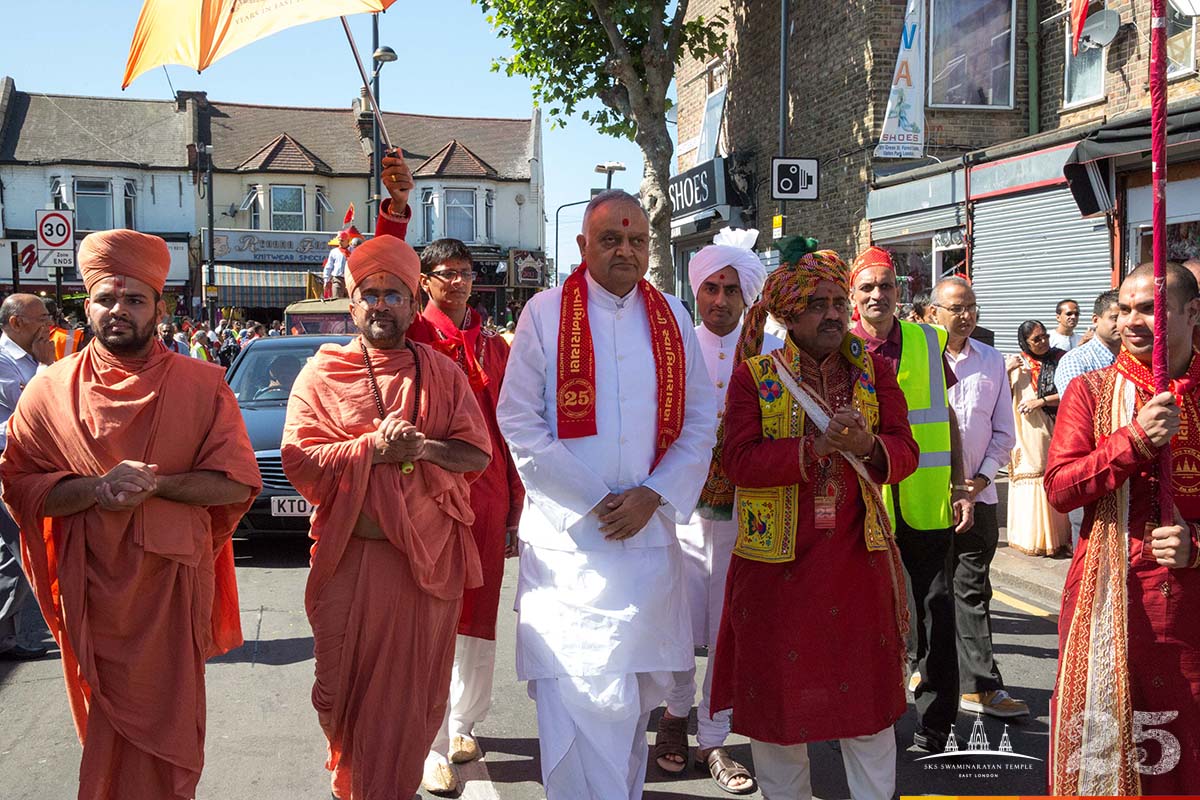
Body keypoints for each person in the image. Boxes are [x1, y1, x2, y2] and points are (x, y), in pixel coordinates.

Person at [0, 229, 260, 800]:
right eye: (105, 299)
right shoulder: (47, 391)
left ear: (159, 308)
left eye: (135, 299)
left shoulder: (204, 384)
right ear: (85, 305)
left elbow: (236, 484)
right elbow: (19, 486)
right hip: (91, 595)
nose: (119, 311)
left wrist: (156, 486)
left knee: (171, 744)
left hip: (170, 593)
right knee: (105, 738)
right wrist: (95, 490)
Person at [496, 190, 718, 800]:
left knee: (627, 709)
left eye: (638, 240)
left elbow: (701, 419)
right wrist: (590, 499)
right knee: (576, 695)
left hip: (648, 542)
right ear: (582, 246)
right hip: (568, 547)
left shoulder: (673, 315)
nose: (626, 250)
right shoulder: (544, 313)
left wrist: (654, 494)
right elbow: (517, 419)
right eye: (611, 239)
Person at [281, 234, 492, 800]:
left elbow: (477, 454)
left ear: (411, 300)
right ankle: (356, 783)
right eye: (369, 293)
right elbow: (299, 460)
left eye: (393, 294)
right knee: (336, 695)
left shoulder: (443, 375)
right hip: (350, 562)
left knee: (410, 705)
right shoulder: (322, 375)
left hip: (426, 571)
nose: (380, 304)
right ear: (351, 305)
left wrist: (421, 449)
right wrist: (372, 448)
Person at [710, 237, 918, 800]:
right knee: (779, 721)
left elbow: (906, 451)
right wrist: (816, 447)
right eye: (817, 304)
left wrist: (870, 444)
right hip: (776, 572)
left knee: (870, 718)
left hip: (858, 564)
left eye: (835, 301)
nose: (831, 314)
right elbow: (738, 460)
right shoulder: (757, 375)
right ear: (789, 314)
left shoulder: (874, 370)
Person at [1045, 261, 1200, 795]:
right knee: (1106, 761)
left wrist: (1197, 545)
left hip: (1192, 612)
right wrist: (1132, 441)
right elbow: (1060, 487)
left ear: (1192, 312)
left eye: (1150, 308)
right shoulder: (1088, 392)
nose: (1133, 320)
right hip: (1110, 600)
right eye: (1126, 308)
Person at [390, 238, 525, 796]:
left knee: (479, 614)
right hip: (430, 496)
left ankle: (465, 724)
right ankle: (430, 744)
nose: (460, 282)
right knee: (432, 617)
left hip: (488, 497)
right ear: (424, 281)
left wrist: (517, 502)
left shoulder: (493, 346)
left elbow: (510, 431)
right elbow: (383, 266)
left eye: (467, 272)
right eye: (447, 273)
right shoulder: (413, 337)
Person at [655, 227, 777, 795]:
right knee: (676, 621)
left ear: (747, 295)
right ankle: (675, 716)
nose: (721, 300)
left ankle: (715, 737)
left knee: (733, 626)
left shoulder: (774, 354)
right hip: (680, 509)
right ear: (696, 292)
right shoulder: (674, 348)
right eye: (711, 288)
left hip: (751, 514)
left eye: (732, 288)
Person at [849, 245, 973, 753]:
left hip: (925, 501)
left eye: (888, 285)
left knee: (937, 612)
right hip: (863, 505)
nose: (879, 294)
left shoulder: (925, 339)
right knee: (862, 614)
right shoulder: (838, 346)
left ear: (901, 292)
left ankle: (937, 724)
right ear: (854, 298)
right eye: (868, 287)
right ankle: (860, 716)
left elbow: (945, 417)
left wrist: (963, 484)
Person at [928, 277, 1027, 719]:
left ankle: (981, 686)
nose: (965, 315)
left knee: (971, 591)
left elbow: (1004, 431)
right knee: (928, 594)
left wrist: (981, 481)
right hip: (925, 500)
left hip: (979, 499)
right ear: (933, 313)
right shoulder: (917, 359)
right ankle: (923, 667)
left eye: (971, 306)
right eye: (955, 308)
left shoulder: (991, 361)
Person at [0, 294, 55, 661]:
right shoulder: (4, 363)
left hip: (35, 470)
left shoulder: (39, 359)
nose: (49, 324)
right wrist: (47, 370)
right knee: (30, 555)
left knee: (13, 560)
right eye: (42, 317)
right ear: (16, 323)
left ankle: (5, 636)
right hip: (8, 469)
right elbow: (28, 416)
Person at [1006, 320, 1071, 557]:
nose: (1043, 342)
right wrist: (1006, 371)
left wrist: (1041, 401)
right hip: (1027, 431)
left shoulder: (1062, 358)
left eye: (1044, 336)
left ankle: (1058, 538)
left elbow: (1070, 391)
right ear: (1025, 342)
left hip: (1056, 424)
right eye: (1036, 339)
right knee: (1033, 476)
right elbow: (997, 393)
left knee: (1053, 474)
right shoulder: (1017, 363)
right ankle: (1032, 538)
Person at [1054, 290, 1121, 397]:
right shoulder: (1075, 361)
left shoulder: (1134, 357)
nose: (1121, 324)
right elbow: (1075, 409)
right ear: (1095, 320)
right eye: (1115, 318)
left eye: (1124, 317)